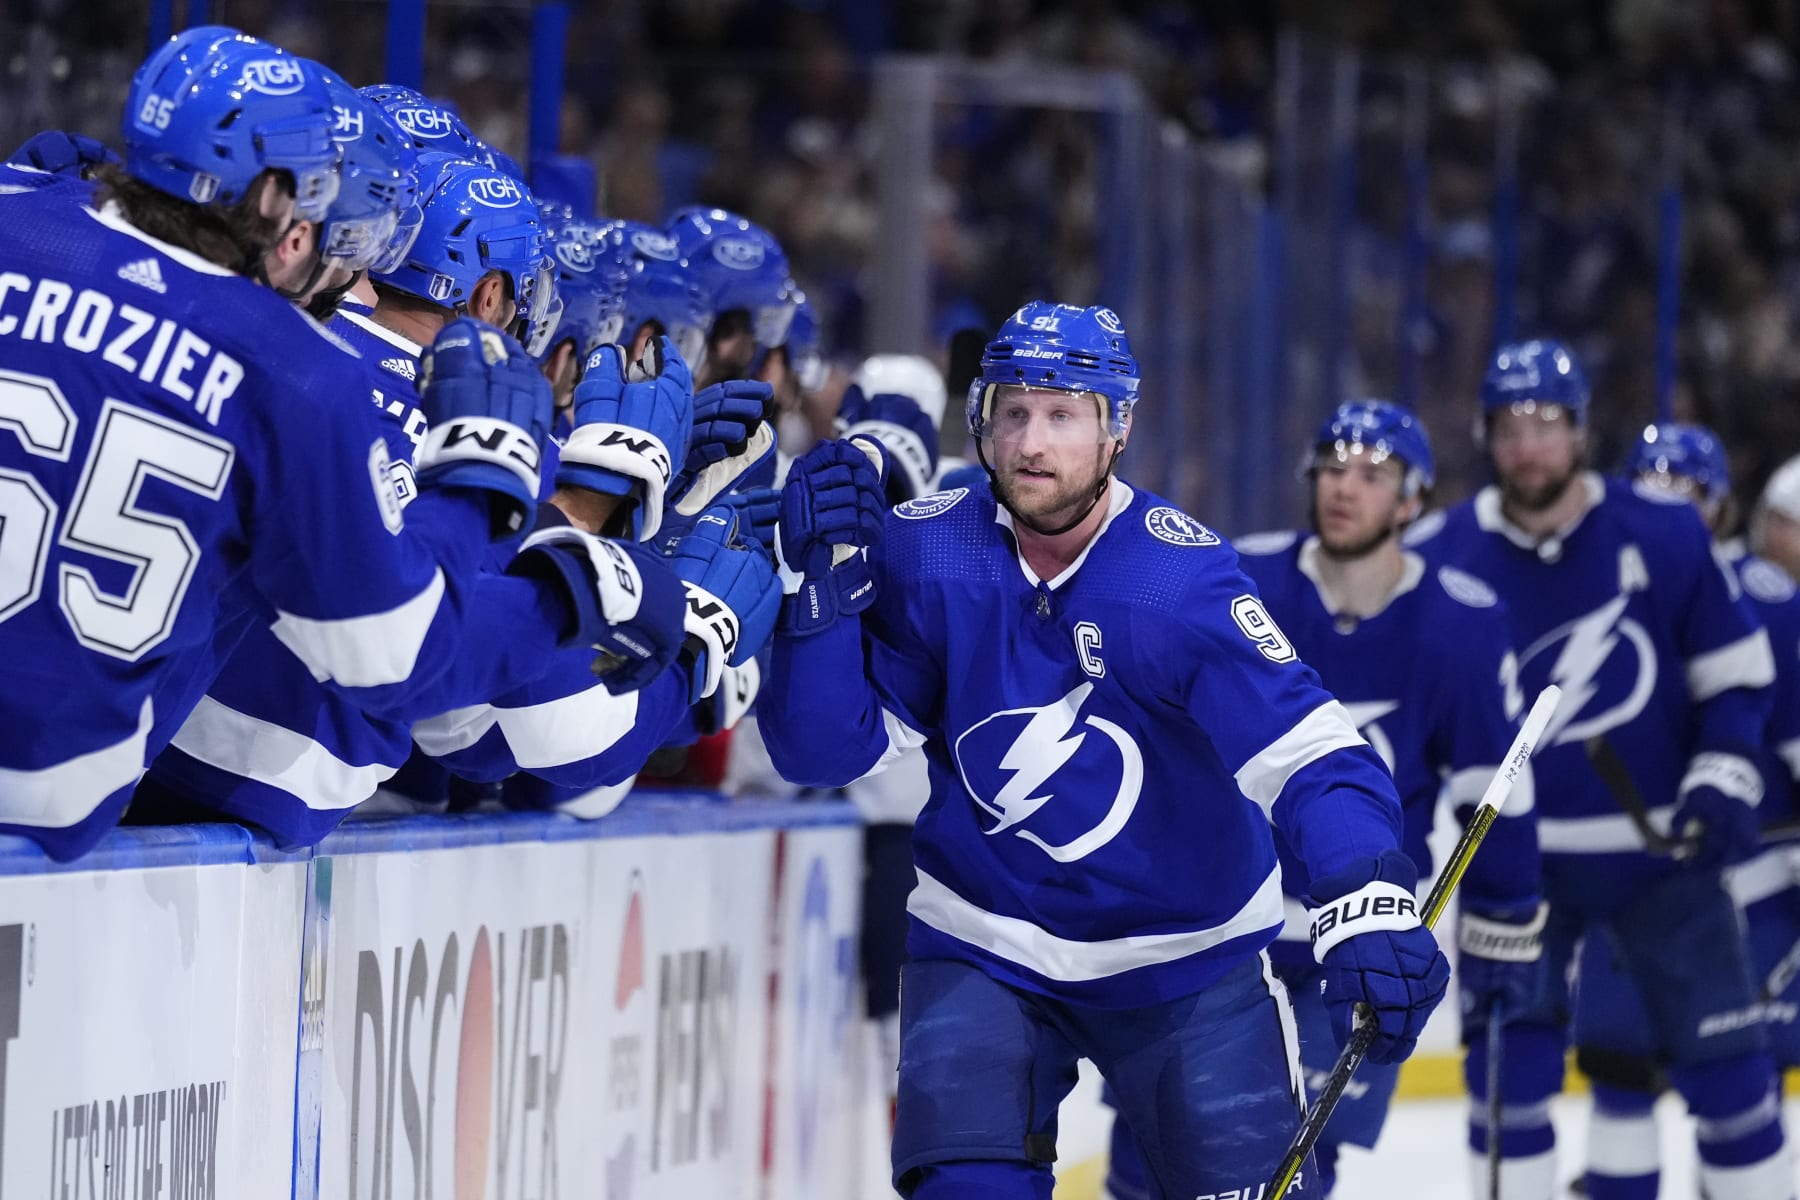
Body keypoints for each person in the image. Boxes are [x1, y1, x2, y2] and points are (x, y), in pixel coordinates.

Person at [758, 301, 1450, 1199]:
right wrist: (822, 587)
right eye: (1013, 412)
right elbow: (824, 753)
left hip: (1186, 958)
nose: (1031, 443)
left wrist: (1366, 887)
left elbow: (1311, 750)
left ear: (1116, 429)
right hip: (986, 938)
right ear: (981, 420)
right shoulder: (928, 550)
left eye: (1062, 415)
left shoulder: (1178, 580)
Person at [0, 31, 674, 859]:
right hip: (44, 806)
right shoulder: (294, 369)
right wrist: (548, 564)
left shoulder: (16, 207)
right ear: (278, 202)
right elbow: (392, 655)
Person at [1100, 400, 1544, 1199]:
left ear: (1412, 501)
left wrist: (1508, 924)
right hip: (1220, 923)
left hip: (1357, 935)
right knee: (1149, 1150)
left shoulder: (1461, 625)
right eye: (1333, 468)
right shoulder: (1241, 576)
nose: (1345, 488)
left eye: (1373, 475)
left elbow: (1492, 791)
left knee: (1298, 1163)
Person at [1406, 341, 1790, 1199]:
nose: (1527, 447)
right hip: (1515, 869)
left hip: (1664, 862)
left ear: (1581, 432)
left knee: (1733, 1080)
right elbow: (1416, 706)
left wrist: (1726, 768)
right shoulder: (1443, 554)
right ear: (1485, 438)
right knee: (1508, 1082)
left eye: (1547, 424)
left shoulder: (1663, 533)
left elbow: (1735, 677)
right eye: (1509, 428)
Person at [1561, 422, 1800, 1199]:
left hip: (1745, 888)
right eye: (1649, 487)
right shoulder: (1597, 591)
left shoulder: (1766, 600)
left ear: (1721, 508)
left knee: (1736, 1088)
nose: (1666, 507)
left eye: (1686, 493)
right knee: (1620, 1072)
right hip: (1634, 881)